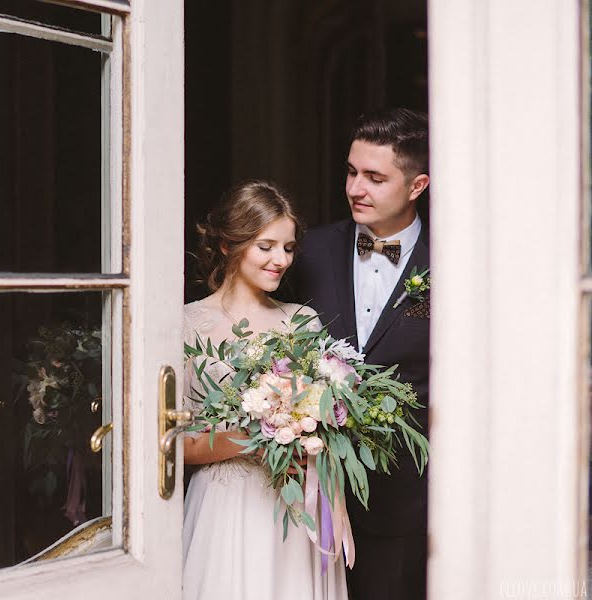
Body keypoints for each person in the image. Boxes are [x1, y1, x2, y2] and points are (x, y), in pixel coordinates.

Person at [182, 180, 348, 600]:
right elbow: (175, 443)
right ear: (228, 246)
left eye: (288, 248)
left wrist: (311, 430)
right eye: (266, 246)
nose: (280, 260)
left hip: (292, 504)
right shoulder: (186, 325)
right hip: (226, 507)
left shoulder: (302, 322)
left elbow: (326, 426)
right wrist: (257, 437)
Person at [290, 108, 431, 600]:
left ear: (417, 186)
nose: (355, 188)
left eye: (375, 177)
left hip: (405, 505)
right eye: (352, 172)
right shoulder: (307, 254)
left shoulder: (454, 261)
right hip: (304, 501)